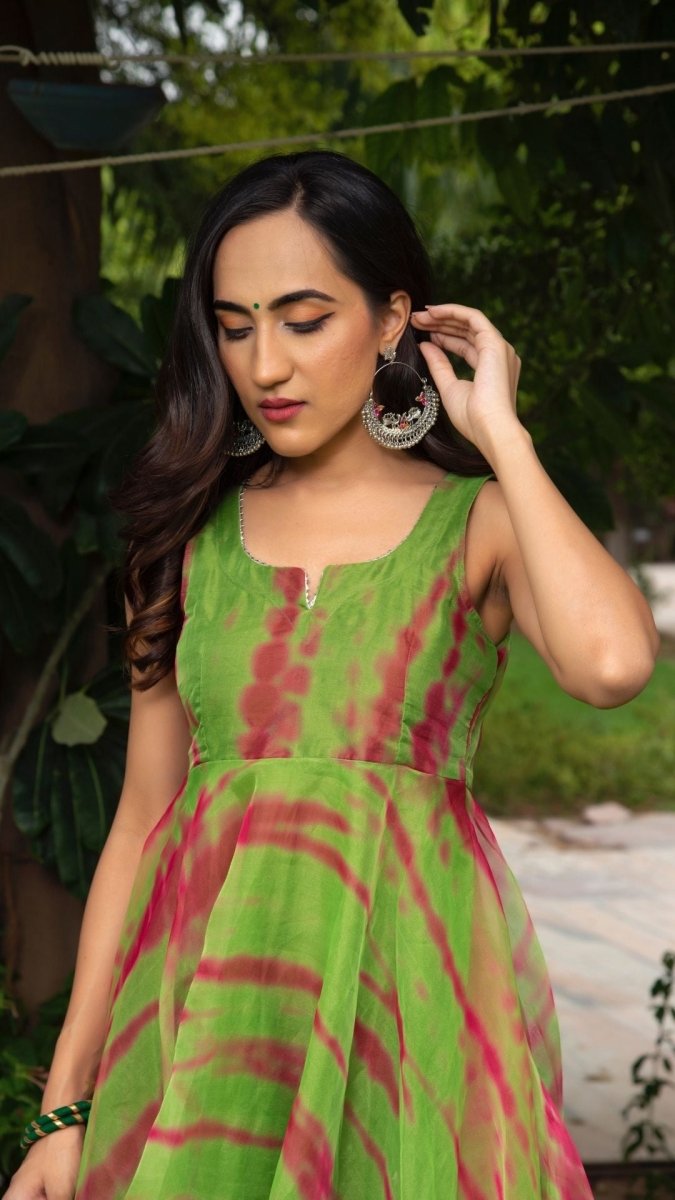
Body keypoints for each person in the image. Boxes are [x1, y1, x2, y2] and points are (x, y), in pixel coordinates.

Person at [5, 150, 658, 1200]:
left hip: (413, 1034)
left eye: (304, 321)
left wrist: (504, 437)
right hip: (211, 1034)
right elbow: (141, 823)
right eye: (234, 326)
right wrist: (66, 1107)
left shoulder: (478, 522)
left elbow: (613, 664)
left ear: (394, 319)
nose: (265, 365)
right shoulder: (181, 541)